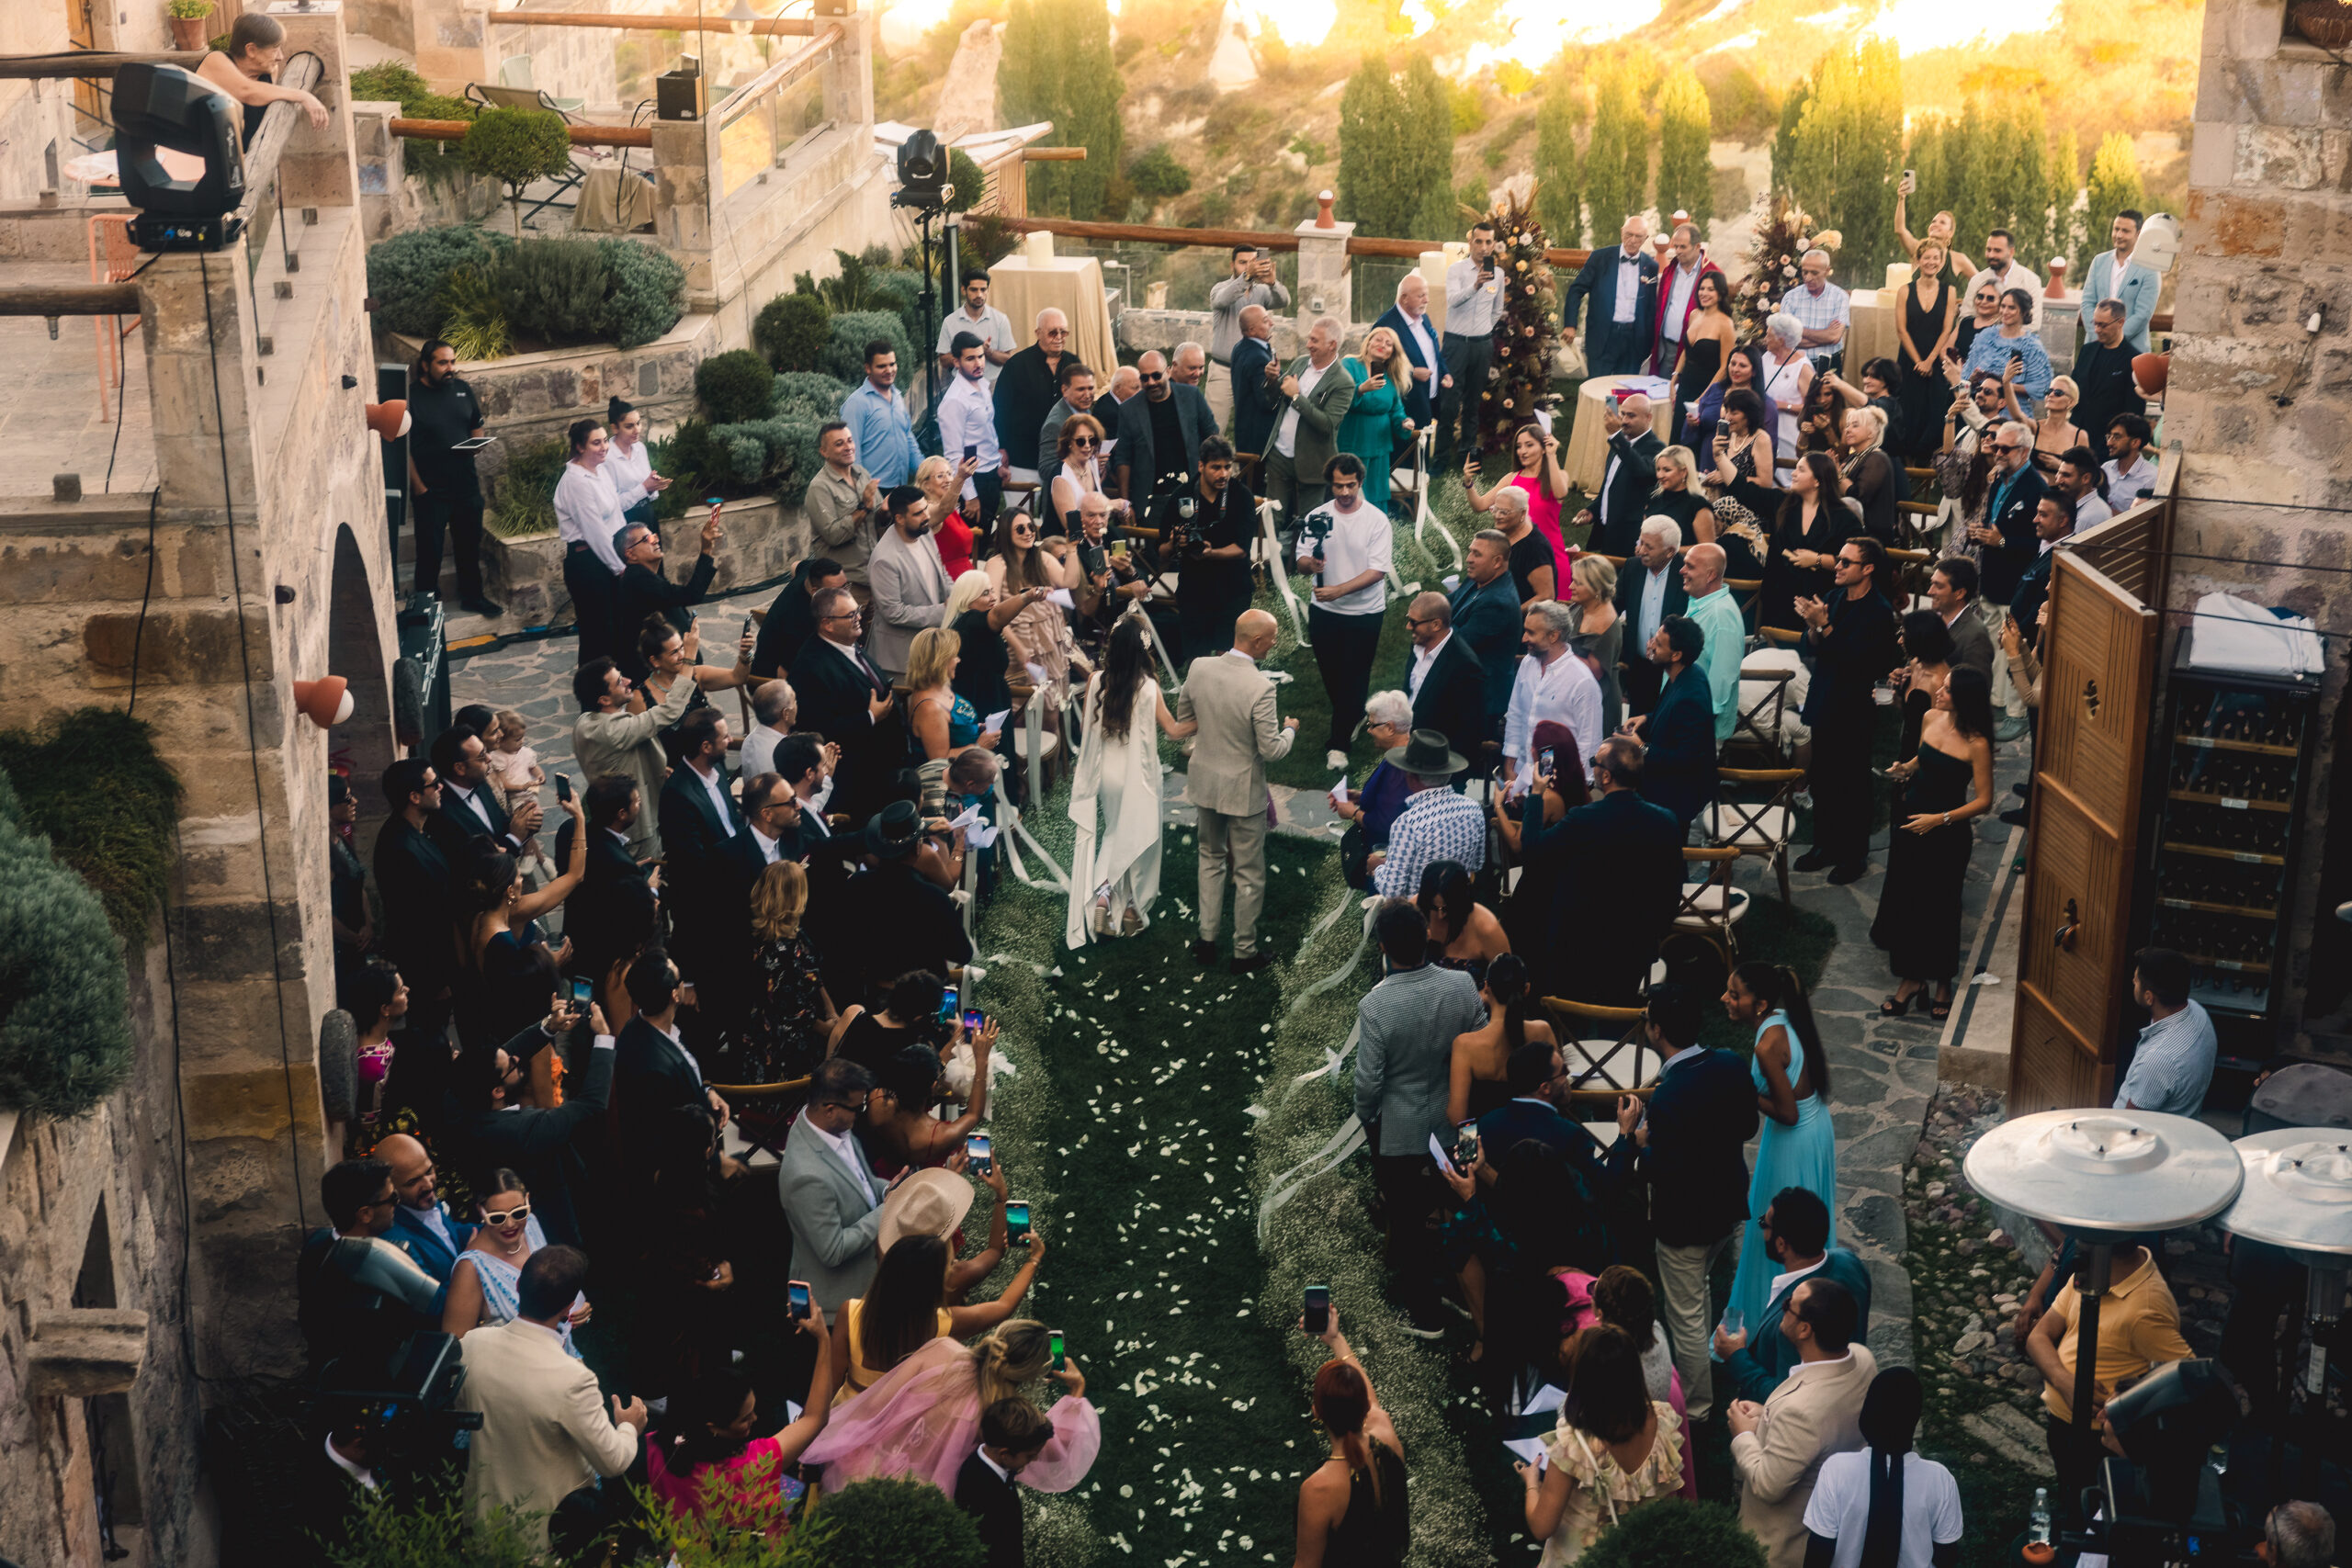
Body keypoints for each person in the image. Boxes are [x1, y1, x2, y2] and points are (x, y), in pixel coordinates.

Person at [1612, 982, 1758, 1422]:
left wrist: (1636, 1142)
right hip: (1727, 1205)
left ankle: (1696, 1409)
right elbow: (1748, 1126)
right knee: (1698, 1294)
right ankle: (1713, 1361)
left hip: (1686, 1221)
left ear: (1656, 1030)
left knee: (1686, 1315)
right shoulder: (1731, 1064)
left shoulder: (1670, 1094)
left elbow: (1663, 1169)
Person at [455, 1246, 645, 1551]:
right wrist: (628, 1427)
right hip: (547, 1534)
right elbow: (612, 1462)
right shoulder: (574, 1378)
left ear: (518, 1286)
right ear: (570, 1307)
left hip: (483, 1524)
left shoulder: (472, 1344)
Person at [1354, 898, 1487, 1333]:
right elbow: (1482, 1044)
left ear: (1383, 949)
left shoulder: (1375, 1007)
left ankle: (1423, 1313)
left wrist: (1368, 1117)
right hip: (1464, 1122)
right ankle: (1476, 1296)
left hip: (1402, 1134)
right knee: (1468, 1208)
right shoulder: (1462, 986)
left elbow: (1368, 1085)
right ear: (1427, 937)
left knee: (1409, 1223)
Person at [800, 1320, 1097, 1496]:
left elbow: (874, 1408)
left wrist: (827, 1443)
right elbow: (1055, 1449)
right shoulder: (1004, 1414)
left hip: (864, 1472)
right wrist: (1077, 1392)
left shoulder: (941, 1349)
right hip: (923, 1499)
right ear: (1030, 1376)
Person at [1720, 961, 1839, 1341]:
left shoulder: (1767, 1045)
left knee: (1777, 1232)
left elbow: (1787, 1113)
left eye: (1735, 994)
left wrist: (1745, 1092)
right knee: (1802, 1229)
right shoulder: (1785, 1019)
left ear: (1760, 1004)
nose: (1725, 999)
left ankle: (1768, 1324)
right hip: (1817, 1128)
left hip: (1794, 1140)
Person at [2024, 1238, 2193, 1502]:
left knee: (2091, 1517)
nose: (2073, 1242)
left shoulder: (2145, 1309)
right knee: (2070, 1500)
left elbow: (2190, 1383)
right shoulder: (2094, 1272)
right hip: (2064, 1425)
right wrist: (2064, 1381)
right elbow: (2038, 1336)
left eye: (2083, 1235)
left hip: (2100, 1442)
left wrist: (2130, 1406)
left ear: (2102, 1244)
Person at [1521, 738, 1684, 1004]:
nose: (1592, 767)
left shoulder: (1582, 819)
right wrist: (1655, 932)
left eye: (1594, 763)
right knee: (1618, 1009)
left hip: (1577, 943)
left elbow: (1532, 851)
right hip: (1635, 943)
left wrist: (1536, 795)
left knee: (1573, 1011)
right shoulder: (1666, 820)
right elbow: (1672, 886)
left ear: (1606, 776)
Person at [1871, 667, 1995, 1018]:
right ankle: (1912, 980)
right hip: (1913, 821)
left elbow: (1984, 800)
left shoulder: (1977, 744)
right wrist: (1907, 767)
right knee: (1909, 903)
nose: (1939, 690)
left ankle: (1942, 982)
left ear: (1965, 699)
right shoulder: (1930, 717)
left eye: (1949, 689)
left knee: (1941, 908)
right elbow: (1924, 758)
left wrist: (1938, 820)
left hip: (1947, 832)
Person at [1728, 1278, 1877, 1568]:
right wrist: (1765, 1418)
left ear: (1804, 1329)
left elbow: (1768, 1485)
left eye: (1788, 1305)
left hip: (1783, 1543)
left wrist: (1744, 1435)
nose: (1783, 1308)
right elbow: (1823, 1431)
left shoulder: (1800, 1412)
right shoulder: (1863, 1359)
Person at [1181, 609, 1299, 971]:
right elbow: (1271, 750)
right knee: (1248, 872)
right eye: (1273, 636)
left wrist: (1215, 724)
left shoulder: (1199, 667)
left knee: (1210, 858)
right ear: (1257, 641)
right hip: (1242, 791)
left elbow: (1186, 716)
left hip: (1205, 781)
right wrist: (1291, 729)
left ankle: (1206, 939)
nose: (1276, 641)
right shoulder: (1261, 687)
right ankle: (1243, 952)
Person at [1066, 615, 1194, 945]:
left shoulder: (1096, 681)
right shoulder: (1148, 687)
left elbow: (1086, 732)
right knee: (1141, 838)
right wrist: (1204, 718)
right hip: (1138, 776)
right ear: (1143, 650)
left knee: (1113, 833)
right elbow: (1174, 730)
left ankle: (1106, 898)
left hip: (1108, 774)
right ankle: (1130, 908)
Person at [1520, 1323, 1688, 1565]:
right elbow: (1667, 1501)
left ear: (1584, 1378)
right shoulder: (1662, 1422)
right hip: (1634, 1555)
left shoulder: (1573, 1446)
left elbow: (1541, 1526)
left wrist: (1532, 1483)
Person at [648, 1341, 836, 1542]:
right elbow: (815, 1418)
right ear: (713, 1426)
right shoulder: (757, 1463)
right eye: (744, 1418)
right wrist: (824, 1340)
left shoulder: (657, 1449)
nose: (754, 1419)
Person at [1795, 539, 1898, 884]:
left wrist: (1824, 627)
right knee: (1823, 779)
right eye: (1838, 559)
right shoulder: (1836, 597)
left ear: (1867, 569)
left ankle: (1854, 855)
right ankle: (1824, 845)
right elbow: (1810, 650)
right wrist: (1813, 626)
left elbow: (1857, 662)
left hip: (1853, 707)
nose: (1836, 566)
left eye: (1845, 562)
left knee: (1851, 783)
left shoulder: (1879, 612)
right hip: (1825, 698)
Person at [832, 1229, 1040, 1397]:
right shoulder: (941, 1324)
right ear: (933, 1284)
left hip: (844, 1418)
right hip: (896, 1434)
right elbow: (1004, 1306)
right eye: (950, 1265)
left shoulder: (850, 1312)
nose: (955, 1265)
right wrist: (1034, 1259)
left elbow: (828, 1383)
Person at [1715, 1187, 1875, 1404]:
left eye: (1765, 1223)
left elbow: (1783, 1395)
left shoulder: (1794, 1320)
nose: (1762, 1226)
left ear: (1781, 1244)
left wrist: (1736, 1356)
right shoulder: (1849, 1261)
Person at [1800, 1366, 1961, 1568]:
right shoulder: (1940, 1480)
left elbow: (1818, 1554)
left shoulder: (1837, 1470)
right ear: (1914, 1419)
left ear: (1868, 1414)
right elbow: (1947, 1558)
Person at [299, 1157, 446, 1378]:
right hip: (375, 1382)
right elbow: (440, 1309)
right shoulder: (375, 1258)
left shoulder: (318, 1243)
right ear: (365, 1214)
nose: (397, 1204)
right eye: (392, 1198)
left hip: (327, 1376)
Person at [1295, 453, 1396, 767]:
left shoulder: (1376, 521)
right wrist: (1309, 564)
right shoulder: (1318, 517)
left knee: (1354, 674)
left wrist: (1339, 589)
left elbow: (1377, 571)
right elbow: (1299, 560)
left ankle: (1337, 745)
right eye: (1338, 486)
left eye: (1350, 485)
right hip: (1324, 612)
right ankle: (1352, 715)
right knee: (1332, 675)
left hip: (1365, 613)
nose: (1344, 492)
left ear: (1360, 482)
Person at [1294, 1307, 1408, 1565]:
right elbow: (1369, 1399)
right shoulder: (1385, 1432)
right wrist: (1336, 1338)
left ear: (1317, 1412)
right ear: (1364, 1409)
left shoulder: (1319, 1488)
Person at [776, 1055, 887, 1323]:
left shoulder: (831, 1128)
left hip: (858, 1291)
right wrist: (888, 1210)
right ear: (829, 1109)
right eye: (856, 1108)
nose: (860, 1114)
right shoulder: (806, 1176)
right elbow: (833, 1250)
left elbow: (861, 1182)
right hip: (831, 1309)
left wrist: (888, 1189)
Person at [571, 650, 705, 860]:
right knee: (648, 878)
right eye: (618, 682)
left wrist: (656, 769)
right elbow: (670, 711)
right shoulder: (612, 730)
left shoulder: (585, 721)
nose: (628, 681)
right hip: (638, 828)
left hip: (617, 818)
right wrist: (688, 657)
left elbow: (627, 754)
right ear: (604, 699)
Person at [441, 1168, 589, 1353]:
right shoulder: (470, 1269)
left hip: (564, 1355)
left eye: (518, 1212)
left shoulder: (531, 1224)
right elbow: (456, 1350)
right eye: (497, 1217)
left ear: (527, 1200)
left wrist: (577, 1311)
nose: (510, 1224)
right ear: (481, 1210)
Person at [401, 338, 499, 615]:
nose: (450, 368)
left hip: (466, 486)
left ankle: (473, 597)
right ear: (425, 365)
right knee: (429, 552)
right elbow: (403, 446)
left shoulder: (462, 389)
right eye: (442, 362)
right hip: (431, 490)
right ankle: (425, 605)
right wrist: (419, 487)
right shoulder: (411, 397)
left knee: (468, 547)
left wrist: (475, 445)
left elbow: (476, 425)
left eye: (452, 362)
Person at [1158, 437, 1259, 666]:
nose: (1223, 474)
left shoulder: (1241, 496)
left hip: (1233, 586)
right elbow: (1162, 550)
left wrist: (1211, 553)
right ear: (1201, 466)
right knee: (1198, 661)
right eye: (1216, 467)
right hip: (1195, 588)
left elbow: (1242, 549)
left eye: (1227, 467)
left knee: (1229, 659)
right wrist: (1174, 543)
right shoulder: (1182, 496)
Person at [553, 419, 640, 662]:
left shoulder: (600, 471)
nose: (604, 447)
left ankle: (616, 686)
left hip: (608, 555)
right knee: (596, 633)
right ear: (580, 447)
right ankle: (593, 695)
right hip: (587, 563)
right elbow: (594, 531)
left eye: (604, 441)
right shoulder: (576, 482)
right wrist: (620, 568)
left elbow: (615, 514)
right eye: (596, 443)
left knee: (615, 628)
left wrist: (629, 548)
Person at [1264, 316, 1357, 545]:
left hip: (1314, 461)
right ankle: (1265, 573)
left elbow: (1327, 425)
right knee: (1272, 517)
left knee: (1310, 522)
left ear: (1332, 345)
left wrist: (1297, 396)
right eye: (1309, 339)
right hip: (1279, 454)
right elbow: (1277, 398)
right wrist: (1272, 381)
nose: (1308, 344)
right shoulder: (1300, 363)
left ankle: (1305, 575)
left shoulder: (1344, 381)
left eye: (1315, 340)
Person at [986, 507, 1085, 718]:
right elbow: (993, 611)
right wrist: (1018, 647)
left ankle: (1056, 747)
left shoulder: (1043, 558)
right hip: (1019, 645)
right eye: (1020, 529)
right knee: (1022, 708)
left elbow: (1071, 582)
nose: (1028, 532)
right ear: (1005, 533)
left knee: (1052, 709)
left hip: (1050, 640)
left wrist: (1072, 549)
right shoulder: (997, 564)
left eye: (1031, 526)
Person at [1368, 731, 1485, 898]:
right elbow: (1477, 864)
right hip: (1459, 907)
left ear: (1410, 776)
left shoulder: (1407, 824)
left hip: (1419, 916)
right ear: (1448, 773)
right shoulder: (1474, 808)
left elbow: (1392, 890)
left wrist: (1377, 868)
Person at [1503, 598, 1603, 792]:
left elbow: (1589, 744)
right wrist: (1510, 767)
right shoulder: (1527, 665)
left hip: (1558, 789)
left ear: (1553, 636)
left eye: (1531, 633)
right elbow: (1515, 716)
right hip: (1520, 782)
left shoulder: (1582, 681)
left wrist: (1569, 793)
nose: (1523, 638)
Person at [614, 509, 724, 681]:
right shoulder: (638, 579)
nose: (655, 540)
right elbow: (691, 594)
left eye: (655, 536)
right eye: (647, 539)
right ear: (630, 554)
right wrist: (706, 549)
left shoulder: (643, 576)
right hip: (657, 674)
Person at [1627, 614, 1716, 826]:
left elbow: (1686, 758)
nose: (1650, 646)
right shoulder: (1685, 673)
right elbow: (1674, 719)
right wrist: (1647, 719)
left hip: (1676, 797)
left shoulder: (1690, 696)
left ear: (1676, 655)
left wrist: (1641, 748)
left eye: (1657, 644)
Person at [1448, 950, 1553, 1124]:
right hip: (1537, 1140)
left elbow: (1457, 1117)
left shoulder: (1465, 1045)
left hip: (1488, 1144)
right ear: (1526, 989)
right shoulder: (1543, 1032)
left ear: (1487, 987)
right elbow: (1561, 1094)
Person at [1467, 423, 1574, 589]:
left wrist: (1552, 455)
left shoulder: (1558, 476)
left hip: (1550, 556)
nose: (1522, 451)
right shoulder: (1511, 478)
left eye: (1529, 445)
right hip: (1516, 558)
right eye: (1518, 446)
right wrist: (1468, 483)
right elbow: (1479, 505)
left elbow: (1560, 493)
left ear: (1544, 447)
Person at [197, 10, 329, 142]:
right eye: (275, 50)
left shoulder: (270, 71)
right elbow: (247, 91)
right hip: (197, 155)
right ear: (251, 50)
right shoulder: (215, 60)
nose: (280, 57)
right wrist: (304, 96)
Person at [2115, 947, 2219, 1115]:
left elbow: (2129, 1125)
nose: (2133, 982)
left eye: (2136, 981)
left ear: (2149, 997)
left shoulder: (2157, 1061)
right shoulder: (2199, 1012)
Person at [957, 1397, 1058, 1568]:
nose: (1035, 1459)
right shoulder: (982, 1492)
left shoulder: (991, 1464)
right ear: (1005, 1454)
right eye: (1030, 1455)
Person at [1114, 349, 1214, 519]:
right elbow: (1123, 459)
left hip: (1192, 489)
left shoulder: (1191, 396)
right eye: (1145, 378)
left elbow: (1211, 436)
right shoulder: (1128, 410)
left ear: (1168, 371)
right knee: (1155, 544)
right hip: (1151, 497)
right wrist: (1125, 503)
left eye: (1156, 376)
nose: (1151, 382)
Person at [868, 486, 954, 682]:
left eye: (925, 509)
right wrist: (944, 610)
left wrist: (958, 595)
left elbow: (941, 574)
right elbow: (894, 612)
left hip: (931, 649)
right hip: (900, 660)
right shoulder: (885, 559)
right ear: (899, 518)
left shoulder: (924, 533)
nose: (926, 516)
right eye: (918, 513)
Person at [1764, 453, 1855, 634]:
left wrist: (1817, 559)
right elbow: (1743, 489)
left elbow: (1855, 562)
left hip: (1821, 602)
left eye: (1801, 470)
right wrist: (1719, 456)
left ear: (1817, 481)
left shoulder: (1843, 517)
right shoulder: (1782, 504)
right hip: (1780, 599)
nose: (1793, 474)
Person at [1331, 692, 1418, 879]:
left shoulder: (1399, 766)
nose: (1368, 730)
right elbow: (1393, 800)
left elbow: (1385, 823)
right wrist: (1360, 795)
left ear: (1390, 728)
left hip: (1386, 860)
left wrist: (1352, 812)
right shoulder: (1403, 752)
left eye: (1372, 725)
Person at [1561, 214, 1659, 378]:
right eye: (1629, 234)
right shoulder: (1599, 258)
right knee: (1598, 388)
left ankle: (1616, 405)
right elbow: (1576, 290)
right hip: (1603, 336)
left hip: (1634, 341)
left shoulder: (1651, 266)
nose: (1633, 240)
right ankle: (1603, 404)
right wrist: (1570, 325)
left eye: (1638, 236)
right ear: (1622, 232)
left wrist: (1649, 340)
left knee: (1625, 391)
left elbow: (1650, 307)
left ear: (1646, 238)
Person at [1440, 220, 1507, 454]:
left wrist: (1483, 329)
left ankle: (1466, 454)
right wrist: (1475, 286)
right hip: (1455, 343)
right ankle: (1440, 457)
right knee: (1448, 402)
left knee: (1473, 402)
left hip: (1482, 345)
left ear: (1494, 244)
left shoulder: (1498, 274)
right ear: (1471, 242)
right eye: (1478, 241)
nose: (1483, 247)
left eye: (1489, 242)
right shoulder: (1456, 270)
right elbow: (1453, 300)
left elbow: (1498, 309)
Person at [1402, 590, 1489, 771]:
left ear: (1436, 624)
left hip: (1438, 765)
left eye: (1413, 622)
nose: (1408, 627)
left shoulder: (1465, 665)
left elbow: (1470, 729)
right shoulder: (1418, 644)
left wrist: (1444, 770)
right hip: (1408, 751)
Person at [1209, 245, 1291, 431]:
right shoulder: (1220, 288)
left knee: (1251, 425)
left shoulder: (1262, 291)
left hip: (1254, 372)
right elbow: (1222, 300)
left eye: (1252, 262)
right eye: (1242, 263)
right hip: (1223, 370)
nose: (1248, 266)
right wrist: (1246, 277)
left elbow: (1284, 301)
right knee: (1213, 428)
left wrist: (1272, 283)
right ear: (1232, 265)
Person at [906, 626, 1002, 779]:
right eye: (954, 656)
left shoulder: (941, 685)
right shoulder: (930, 708)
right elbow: (939, 760)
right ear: (940, 661)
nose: (958, 660)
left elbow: (952, 729)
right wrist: (979, 746)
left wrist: (975, 728)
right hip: (957, 787)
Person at [1452, 530, 1524, 735]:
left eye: (1477, 554)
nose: (1469, 559)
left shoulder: (1497, 603)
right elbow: (1449, 604)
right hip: (1466, 690)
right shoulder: (1477, 579)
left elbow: (1458, 643)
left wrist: (1435, 622)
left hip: (1480, 699)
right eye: (1470, 552)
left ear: (1497, 562)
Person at [1972, 420, 2051, 606]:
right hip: (1989, 584)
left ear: (2024, 451)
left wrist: (2001, 541)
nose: (1998, 454)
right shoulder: (1999, 479)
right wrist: (1979, 532)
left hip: (2013, 591)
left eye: (2005, 449)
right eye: (1996, 447)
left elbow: (2041, 544)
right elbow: (1994, 524)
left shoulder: (2037, 489)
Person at [1618, 519, 1690, 717]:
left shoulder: (1685, 574)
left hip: (1672, 667)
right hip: (1639, 662)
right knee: (1637, 720)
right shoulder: (1633, 568)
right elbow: (1616, 605)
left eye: (1648, 546)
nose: (1641, 551)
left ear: (1669, 552)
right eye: (1641, 543)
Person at [1339, 325, 1416, 512]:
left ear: (1392, 352)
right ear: (1368, 342)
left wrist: (1405, 423)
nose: (1383, 345)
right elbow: (1337, 399)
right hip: (1353, 440)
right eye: (1378, 339)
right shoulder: (1349, 365)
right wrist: (1360, 389)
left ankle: (1375, 536)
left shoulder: (1392, 376)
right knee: (1350, 493)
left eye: (1389, 344)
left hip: (1379, 445)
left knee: (1375, 495)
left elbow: (1396, 411)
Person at [1678, 542, 1747, 745]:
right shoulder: (1702, 603)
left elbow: (1721, 684)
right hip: (1686, 719)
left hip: (1699, 730)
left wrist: (1694, 726)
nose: (1681, 571)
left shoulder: (1721, 616)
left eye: (1690, 566)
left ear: (1710, 575)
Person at [1894, 242, 1960, 456]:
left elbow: (1947, 328)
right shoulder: (1905, 291)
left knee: (1935, 409)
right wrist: (1918, 362)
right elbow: (1901, 330)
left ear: (1941, 263)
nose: (1931, 262)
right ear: (1918, 261)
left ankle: (1928, 461)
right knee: (1908, 409)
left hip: (1936, 356)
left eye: (1935, 258)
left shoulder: (1949, 291)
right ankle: (1906, 461)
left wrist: (1930, 361)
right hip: (1909, 357)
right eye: (1926, 258)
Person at [1578, 395, 1664, 560]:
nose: (1624, 420)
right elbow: (1609, 485)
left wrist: (1617, 437)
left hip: (1629, 538)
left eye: (1631, 416)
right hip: (1608, 532)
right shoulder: (1620, 442)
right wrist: (1593, 510)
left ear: (1648, 418)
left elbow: (1643, 473)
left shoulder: (1656, 448)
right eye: (1622, 414)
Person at [990, 310, 1069, 489]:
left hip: (1063, 460)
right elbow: (1000, 409)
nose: (1059, 337)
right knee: (1021, 514)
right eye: (1052, 332)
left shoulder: (1073, 364)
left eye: (1063, 332)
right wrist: (1001, 447)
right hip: (1022, 458)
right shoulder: (1017, 365)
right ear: (1038, 333)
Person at [1657, 224, 1729, 398]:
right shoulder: (1670, 270)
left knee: (1684, 401)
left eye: (1683, 247)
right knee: (1661, 398)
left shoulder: (1712, 273)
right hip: (1665, 347)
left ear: (1697, 247)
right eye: (1675, 246)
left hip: (1694, 354)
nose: (1677, 251)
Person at [942, 333, 1007, 527]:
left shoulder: (983, 386)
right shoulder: (954, 400)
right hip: (972, 482)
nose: (978, 363)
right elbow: (953, 455)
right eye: (970, 358)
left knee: (986, 540)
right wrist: (969, 496)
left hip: (991, 475)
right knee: (973, 548)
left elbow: (987, 433)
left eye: (981, 356)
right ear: (956, 362)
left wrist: (998, 465)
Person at [843, 339, 922, 491]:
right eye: (882, 366)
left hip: (900, 488)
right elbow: (852, 454)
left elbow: (907, 438)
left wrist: (926, 471)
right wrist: (863, 493)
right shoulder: (856, 404)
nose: (889, 370)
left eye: (892, 364)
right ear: (868, 368)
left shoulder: (898, 397)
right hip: (874, 492)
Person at [1374, 271, 1449, 432]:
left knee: (1423, 452)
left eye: (1426, 295)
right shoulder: (1386, 325)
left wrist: (1444, 372)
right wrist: (1412, 372)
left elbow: (1434, 352)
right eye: (1421, 296)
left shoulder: (1423, 318)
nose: (1427, 300)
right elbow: (1377, 368)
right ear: (1404, 298)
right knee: (1408, 454)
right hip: (1407, 406)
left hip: (1429, 400)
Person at [2082, 209, 2161, 354]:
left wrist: (2114, 338)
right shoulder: (2099, 261)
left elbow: (2143, 314)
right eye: (2116, 229)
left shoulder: (2150, 268)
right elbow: (2087, 302)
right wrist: (2097, 334)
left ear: (2139, 234)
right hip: (2095, 346)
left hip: (2131, 351)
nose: (2118, 235)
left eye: (2125, 231)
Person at [1963, 288, 2052, 416]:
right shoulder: (1985, 336)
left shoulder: (2032, 346)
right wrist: (1974, 379)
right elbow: (1965, 377)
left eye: (2011, 308)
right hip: (1980, 411)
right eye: (2003, 306)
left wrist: (2004, 386)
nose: (2005, 312)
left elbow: (2042, 387)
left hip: (2014, 413)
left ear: (2023, 312)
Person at [752, 558, 845, 681]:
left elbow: (795, 565)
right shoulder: (800, 621)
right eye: (836, 591)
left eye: (845, 586)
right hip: (770, 681)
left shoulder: (811, 570)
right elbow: (783, 673)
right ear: (815, 592)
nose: (845, 595)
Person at [2073, 300, 2147, 448]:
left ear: (2121, 322)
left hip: (2107, 442)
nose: (2097, 329)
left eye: (2103, 325)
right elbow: (2073, 388)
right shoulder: (2087, 351)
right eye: (2095, 323)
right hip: (2077, 435)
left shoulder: (2135, 360)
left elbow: (2134, 412)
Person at [1566, 558, 1623, 739]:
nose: (1570, 586)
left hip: (1598, 702)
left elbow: (1594, 671)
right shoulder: (1581, 606)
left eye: (1578, 582)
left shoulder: (1605, 622)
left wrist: (1555, 651)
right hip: (1574, 696)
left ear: (1596, 588)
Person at [934, 271, 1015, 385]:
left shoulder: (1001, 319)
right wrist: (968, 352)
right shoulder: (950, 321)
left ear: (988, 290)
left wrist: (987, 352)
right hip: (961, 385)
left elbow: (1007, 359)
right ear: (963, 290)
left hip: (993, 385)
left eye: (983, 290)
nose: (979, 295)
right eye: (973, 290)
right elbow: (943, 360)